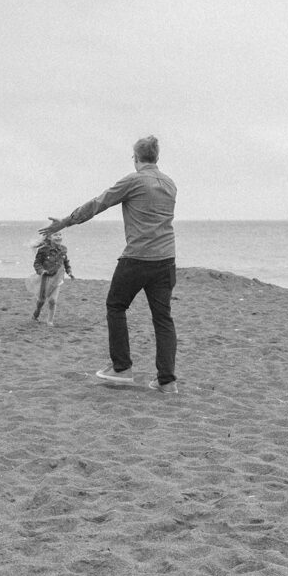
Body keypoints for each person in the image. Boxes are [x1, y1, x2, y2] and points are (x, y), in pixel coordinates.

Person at [40, 136, 178, 394]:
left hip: (138, 257)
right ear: (156, 157)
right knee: (163, 319)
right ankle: (167, 381)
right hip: (166, 259)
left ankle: (122, 368)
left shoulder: (133, 180)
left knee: (115, 305)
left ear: (135, 157)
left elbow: (98, 203)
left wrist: (65, 222)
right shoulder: (170, 184)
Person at [31, 228, 75, 326]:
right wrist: (41, 271)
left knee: (52, 300)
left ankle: (50, 321)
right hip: (46, 277)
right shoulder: (43, 250)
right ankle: (37, 312)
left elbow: (66, 261)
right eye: (55, 235)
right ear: (50, 237)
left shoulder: (63, 249)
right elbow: (37, 263)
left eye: (60, 234)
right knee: (41, 300)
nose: (58, 237)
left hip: (58, 278)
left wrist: (69, 272)